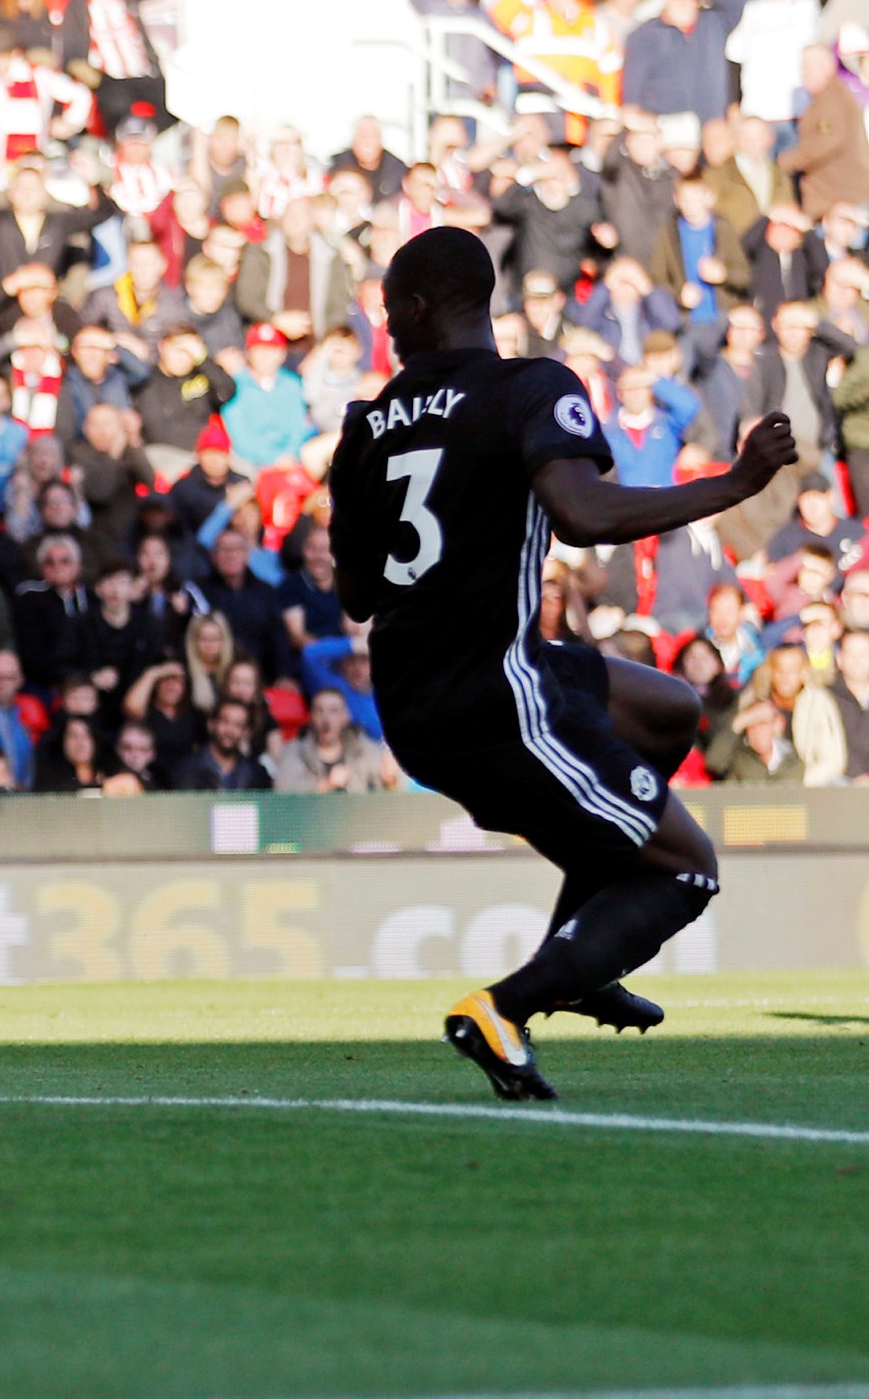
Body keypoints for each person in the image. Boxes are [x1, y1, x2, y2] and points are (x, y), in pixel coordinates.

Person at [329, 226, 789, 1101]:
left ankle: (582, 956)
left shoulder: (365, 427)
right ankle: (507, 1007)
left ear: (421, 308)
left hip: (420, 692)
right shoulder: (530, 386)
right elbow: (581, 513)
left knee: (668, 711)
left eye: (390, 310)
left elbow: (356, 592)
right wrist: (730, 488)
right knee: (686, 865)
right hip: (493, 696)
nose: (385, 328)